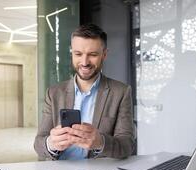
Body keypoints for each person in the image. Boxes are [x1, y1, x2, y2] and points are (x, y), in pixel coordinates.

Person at [34, 24, 135, 160]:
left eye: (92, 54)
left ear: (104, 54)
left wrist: (101, 142)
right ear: (72, 53)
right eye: (78, 54)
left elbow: (127, 146)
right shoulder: (53, 93)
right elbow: (38, 144)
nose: (84, 62)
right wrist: (51, 143)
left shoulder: (121, 92)